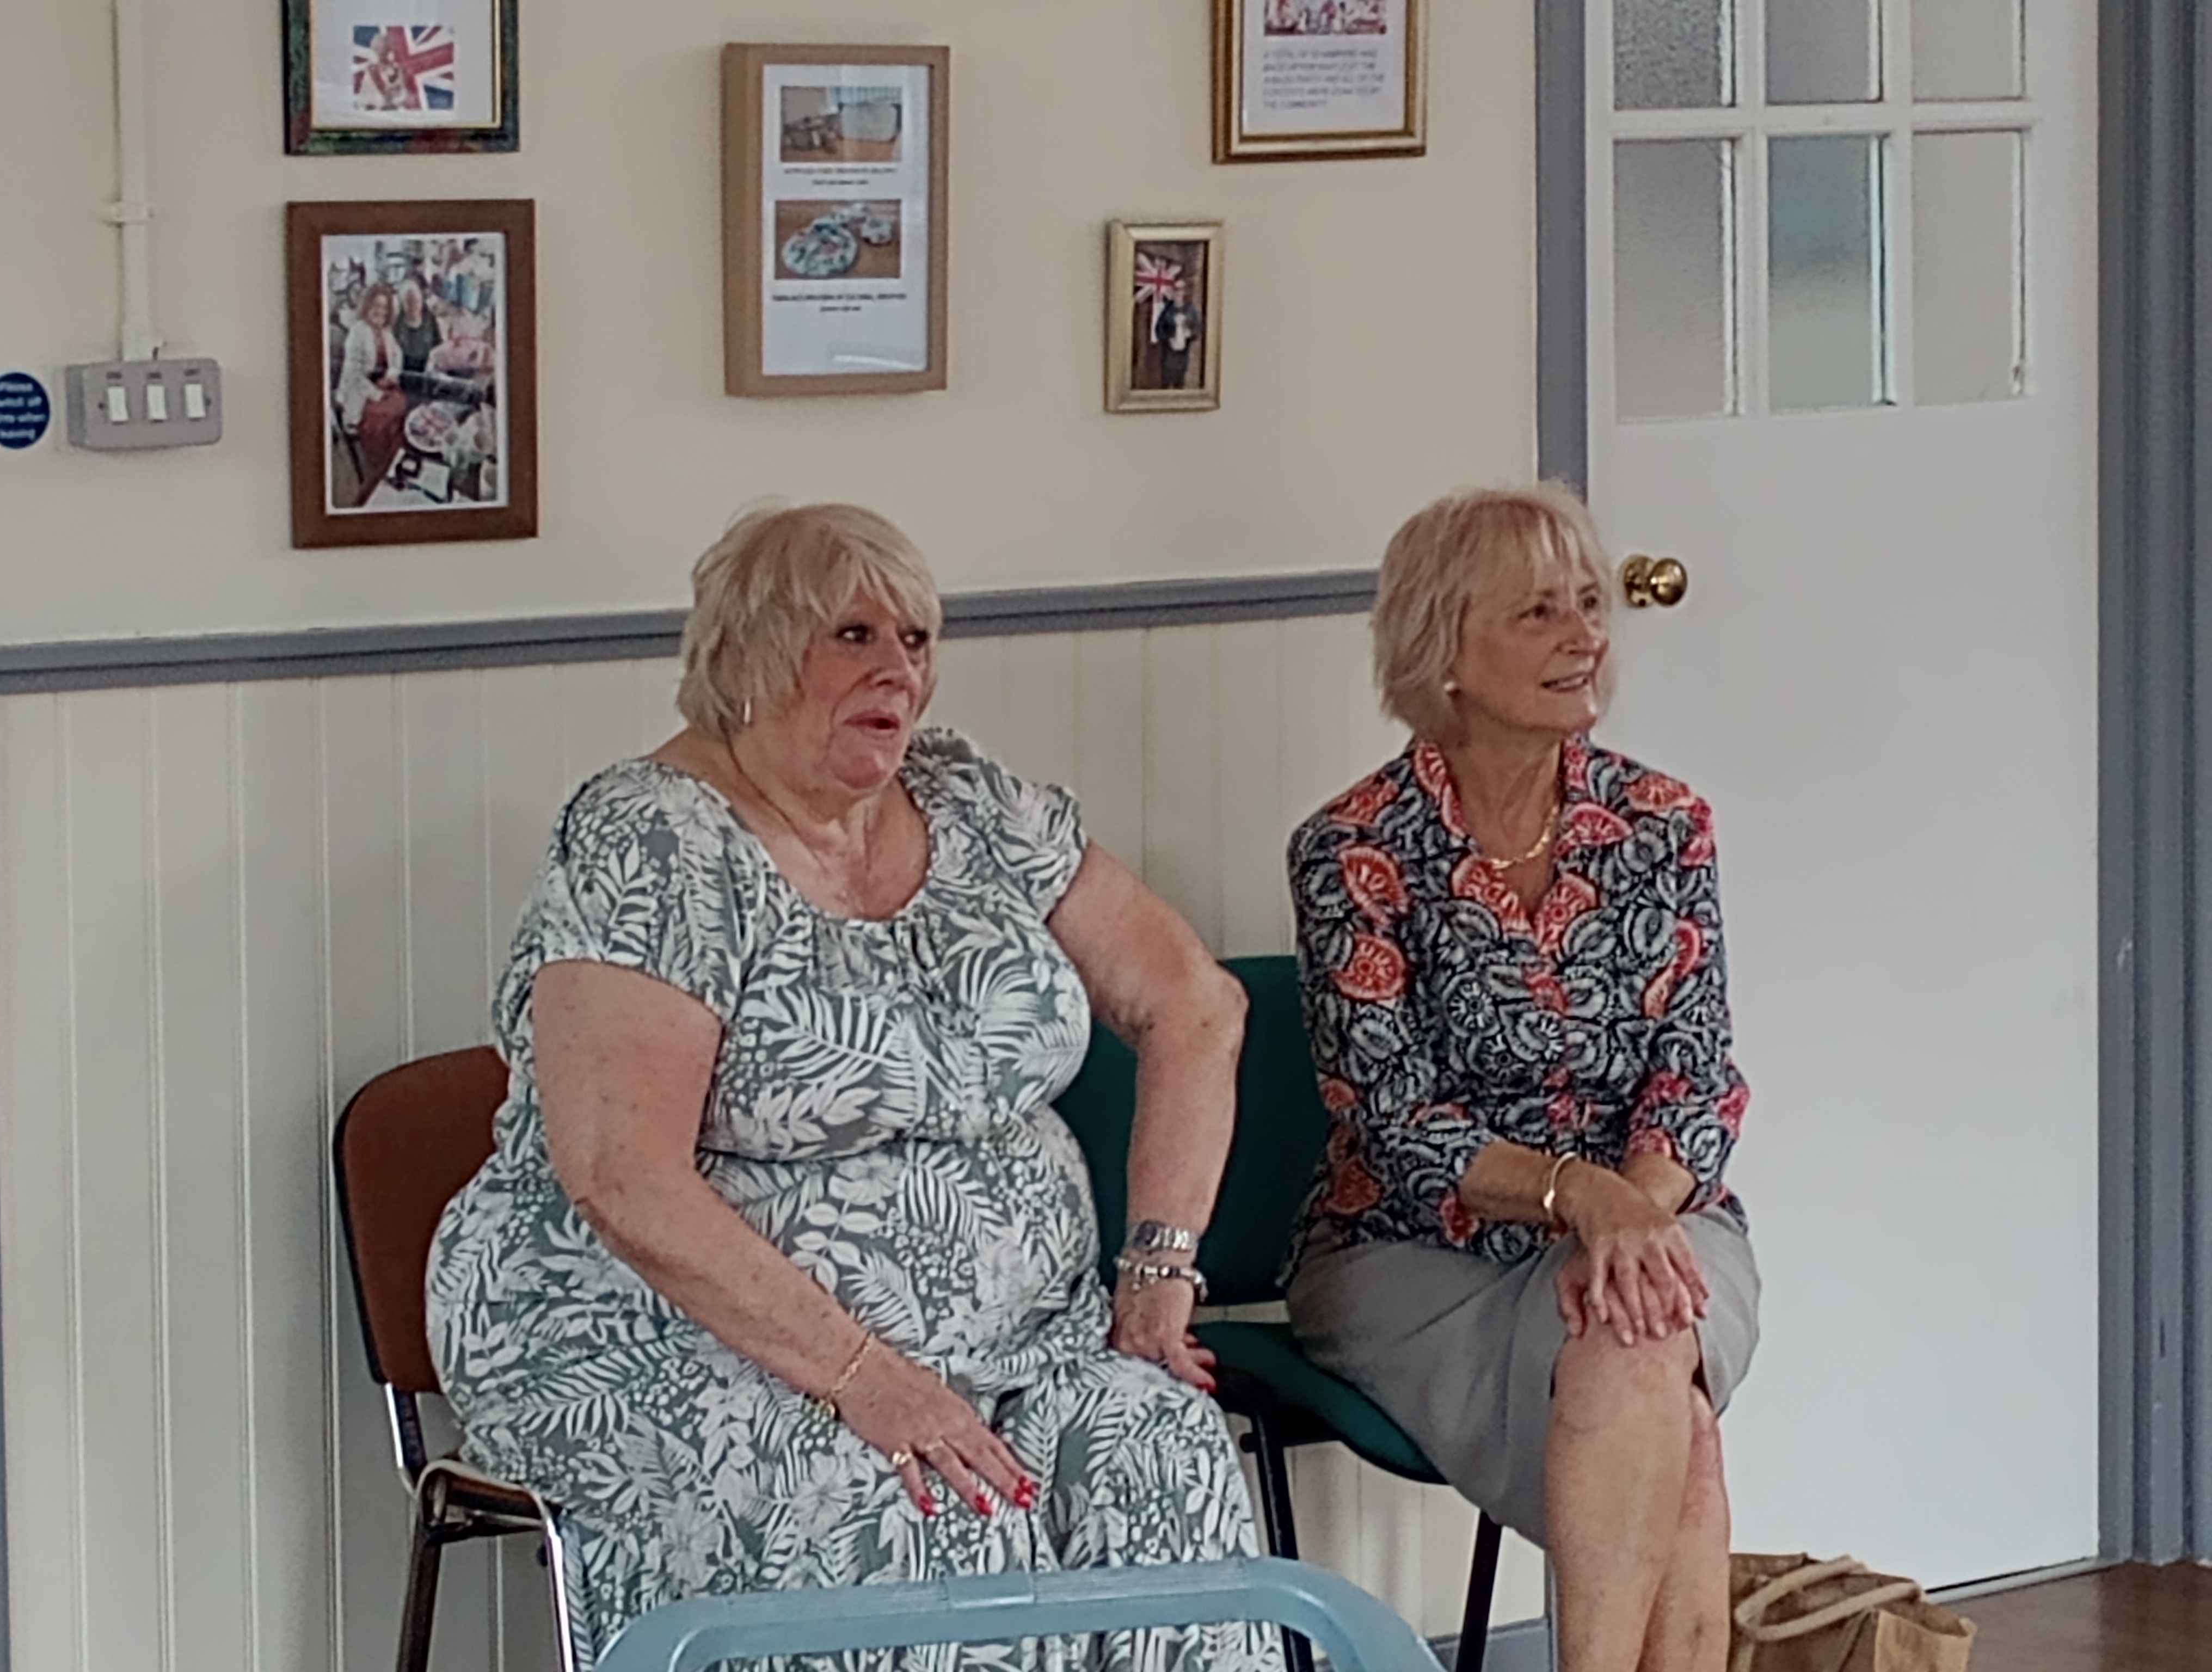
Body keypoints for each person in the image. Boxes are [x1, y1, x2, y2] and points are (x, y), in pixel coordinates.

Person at [426, 502, 1281, 1672]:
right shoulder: (653, 839)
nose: (899, 672)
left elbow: (1195, 1004)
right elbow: (621, 1175)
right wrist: (863, 1377)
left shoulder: (973, 803)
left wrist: (1158, 1278)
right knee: (923, 1511)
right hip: (676, 1340)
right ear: (751, 653)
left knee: (1162, 1450)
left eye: (917, 639)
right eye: (854, 636)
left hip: (1019, 1339)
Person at [1282, 484, 1759, 1672]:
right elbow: (1394, 1122)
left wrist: (1627, 1216)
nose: (1584, 636)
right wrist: (1574, 1198)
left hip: (1659, 1218)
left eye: (1590, 605)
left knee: (1637, 1335)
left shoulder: (1664, 824)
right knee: (1673, 1416)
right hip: (1416, 1252)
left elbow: (1696, 1078)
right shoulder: (1353, 851)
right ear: (1442, 649)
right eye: (1539, 612)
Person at [335, 282, 407, 496]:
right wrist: (376, 393)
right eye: (376, 305)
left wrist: (390, 376)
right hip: (360, 393)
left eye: (385, 308)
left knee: (402, 405)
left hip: (383, 385)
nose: (380, 311)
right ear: (367, 306)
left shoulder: (386, 332)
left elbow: (398, 359)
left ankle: (394, 454)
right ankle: (381, 464)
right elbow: (354, 375)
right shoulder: (357, 332)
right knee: (384, 416)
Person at [391, 282, 443, 389]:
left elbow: (439, 345)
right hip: (404, 372)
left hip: (427, 370)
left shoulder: (430, 320)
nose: (413, 306)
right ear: (403, 304)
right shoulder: (397, 324)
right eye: (409, 302)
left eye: (417, 301)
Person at [1153, 281, 1203, 390]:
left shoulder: (1191, 311)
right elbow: (1159, 330)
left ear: (1185, 292)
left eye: (1181, 290)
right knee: (1166, 380)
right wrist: (1168, 338)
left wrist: (1190, 333)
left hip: (1183, 355)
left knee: (1180, 380)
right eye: (1176, 290)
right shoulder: (1167, 311)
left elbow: (1197, 330)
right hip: (1168, 354)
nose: (1178, 293)